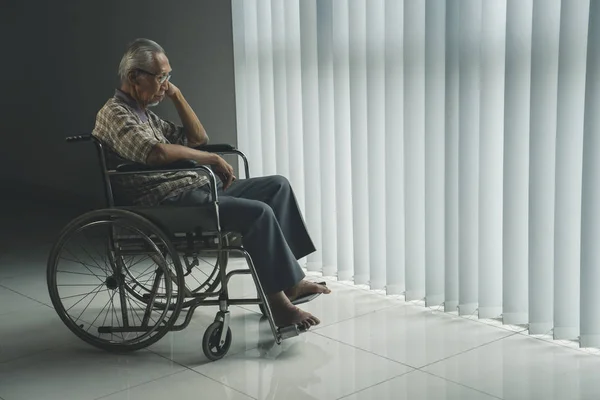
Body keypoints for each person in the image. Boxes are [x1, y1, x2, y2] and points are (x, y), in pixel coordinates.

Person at [92, 38, 329, 330]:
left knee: (276, 187)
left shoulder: (145, 114)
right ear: (133, 77)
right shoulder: (115, 113)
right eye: (160, 77)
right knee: (258, 214)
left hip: (193, 187)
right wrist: (212, 159)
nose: (165, 84)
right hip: (165, 202)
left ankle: (288, 282)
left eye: (168, 76)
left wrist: (176, 95)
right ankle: (279, 306)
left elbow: (197, 138)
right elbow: (156, 153)